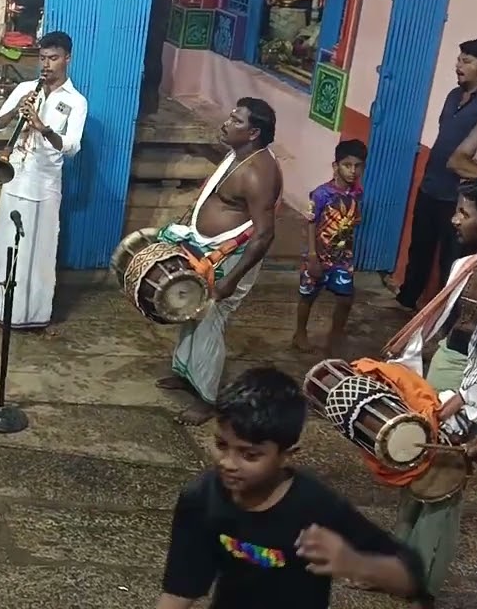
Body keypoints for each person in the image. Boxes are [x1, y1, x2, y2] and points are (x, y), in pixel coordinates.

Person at [155, 366, 429, 609]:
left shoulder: (316, 505)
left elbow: (409, 576)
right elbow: (180, 589)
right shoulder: (201, 498)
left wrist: (354, 562)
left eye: (249, 455)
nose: (228, 462)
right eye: (221, 445)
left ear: (287, 454)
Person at [385, 174, 477, 595]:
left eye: (463, 213)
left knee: (442, 482)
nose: (454, 220)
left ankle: (421, 580)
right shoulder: (466, 267)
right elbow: (445, 326)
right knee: (414, 464)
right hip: (446, 367)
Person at [156, 98, 282, 426]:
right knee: (190, 310)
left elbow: (265, 234)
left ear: (253, 133)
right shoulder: (238, 155)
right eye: (230, 116)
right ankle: (186, 374)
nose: (227, 123)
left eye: (236, 121)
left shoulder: (257, 173)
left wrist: (231, 280)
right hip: (207, 248)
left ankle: (207, 399)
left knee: (210, 321)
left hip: (229, 259)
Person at [0, 31, 86, 333]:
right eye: (43, 58)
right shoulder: (25, 88)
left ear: (68, 59)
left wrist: (43, 128)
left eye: (54, 58)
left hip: (45, 187)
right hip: (14, 179)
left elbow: (72, 146)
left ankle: (35, 316)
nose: (46, 64)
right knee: (4, 247)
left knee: (39, 254)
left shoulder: (76, 101)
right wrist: (15, 109)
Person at [392, 38, 477, 311]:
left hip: (459, 199)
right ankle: (406, 301)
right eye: (459, 59)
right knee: (419, 249)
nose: (458, 65)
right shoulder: (454, 96)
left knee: (452, 262)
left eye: (466, 61)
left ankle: (444, 318)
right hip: (431, 186)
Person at [292, 139, 366, 355]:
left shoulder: (356, 193)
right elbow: (310, 223)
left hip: (342, 257)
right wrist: (312, 256)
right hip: (318, 255)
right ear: (336, 166)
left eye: (358, 166)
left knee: (345, 298)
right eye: (347, 165)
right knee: (308, 295)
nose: (353, 171)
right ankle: (300, 333)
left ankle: (336, 334)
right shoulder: (321, 194)